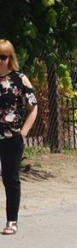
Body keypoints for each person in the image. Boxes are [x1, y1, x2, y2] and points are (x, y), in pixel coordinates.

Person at [0, 40, 38, 235]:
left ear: (10, 58)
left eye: (3, 57)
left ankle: (11, 221)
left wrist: (23, 132)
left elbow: (33, 108)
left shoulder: (19, 79)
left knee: (10, 178)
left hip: (11, 137)